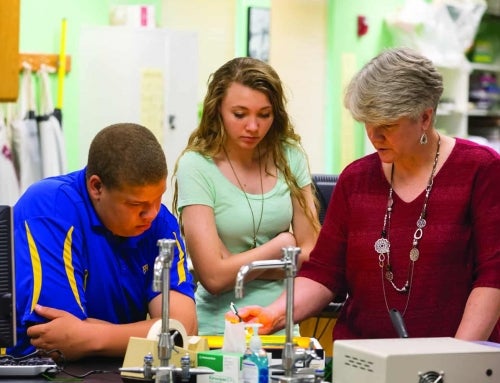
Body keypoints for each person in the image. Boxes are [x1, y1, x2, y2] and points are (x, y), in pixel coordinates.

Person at [227, 47, 500, 343]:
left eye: (387, 125)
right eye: (367, 124)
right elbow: (324, 272)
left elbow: (493, 276)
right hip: (362, 360)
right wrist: (274, 314)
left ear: (424, 117)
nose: (374, 136)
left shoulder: (480, 170)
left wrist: (455, 359)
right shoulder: (356, 180)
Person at [10, 123, 197, 360]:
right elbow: (54, 342)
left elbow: (182, 331)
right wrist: (152, 334)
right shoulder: (50, 208)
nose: (151, 213)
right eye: (135, 204)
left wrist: (93, 337)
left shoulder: (160, 221)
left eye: (158, 198)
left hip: (123, 370)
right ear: (96, 187)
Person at [172, 57, 320, 335]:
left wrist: (234, 264)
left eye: (264, 115)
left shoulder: (290, 155)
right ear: (217, 111)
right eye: (240, 114)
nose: (253, 127)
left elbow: (310, 254)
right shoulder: (196, 166)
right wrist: (280, 248)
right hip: (218, 328)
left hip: (280, 324)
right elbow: (213, 277)